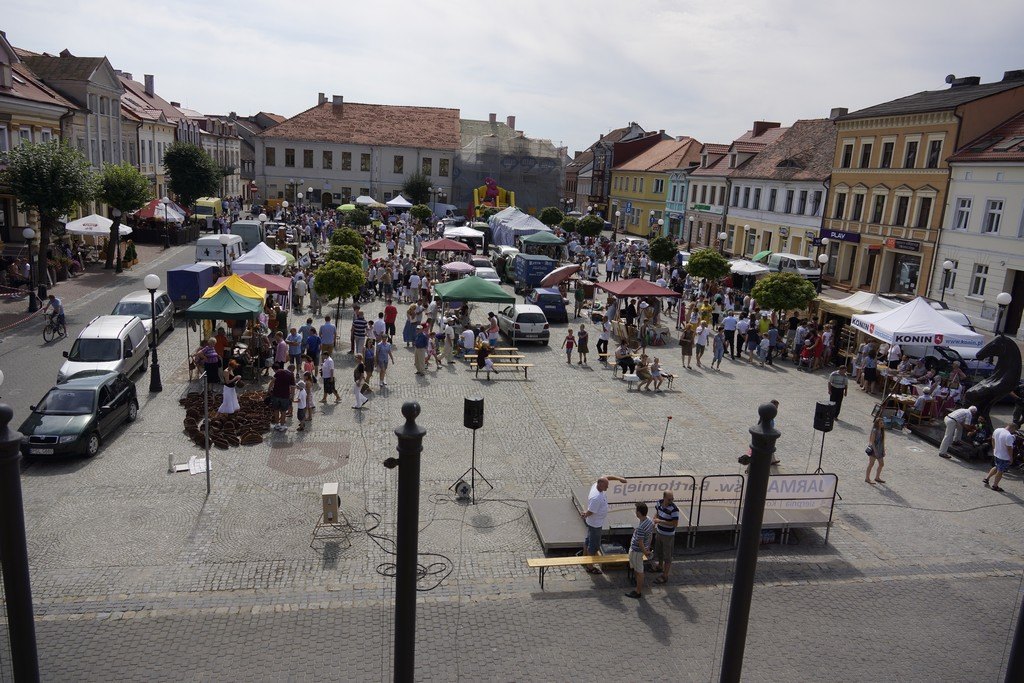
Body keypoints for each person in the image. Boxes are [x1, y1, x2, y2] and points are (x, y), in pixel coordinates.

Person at [580, 475, 628, 574]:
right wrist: (585, 514)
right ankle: (590, 566)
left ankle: (584, 559)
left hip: (592, 523)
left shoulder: (595, 485)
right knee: (593, 546)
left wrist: (619, 479)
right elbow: (591, 512)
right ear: (600, 485)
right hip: (595, 524)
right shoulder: (596, 497)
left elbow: (606, 477)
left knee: (588, 540)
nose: (607, 487)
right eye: (606, 486)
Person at [625, 502, 654, 599]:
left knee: (639, 571)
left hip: (637, 552)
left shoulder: (641, 527)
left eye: (636, 511)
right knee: (638, 570)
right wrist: (648, 547)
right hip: (639, 550)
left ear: (639, 513)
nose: (635, 512)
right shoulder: (649, 520)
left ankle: (638, 592)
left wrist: (645, 551)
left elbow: (640, 542)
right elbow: (649, 535)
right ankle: (638, 588)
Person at [651, 491, 679, 584]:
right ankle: (660, 566)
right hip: (659, 532)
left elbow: (675, 524)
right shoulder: (659, 503)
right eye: (669, 499)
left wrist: (660, 521)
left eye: (672, 499)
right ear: (664, 498)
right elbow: (657, 513)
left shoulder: (674, 509)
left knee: (667, 556)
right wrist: (654, 520)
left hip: (668, 536)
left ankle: (665, 575)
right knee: (659, 551)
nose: (671, 501)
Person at [984, 422, 1018, 492]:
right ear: (1013, 428)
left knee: (996, 467)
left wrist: (994, 449)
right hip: (1004, 457)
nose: (1014, 432)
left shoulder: (997, 430)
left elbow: (993, 439)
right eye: (1014, 430)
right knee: (1000, 471)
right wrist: (1011, 458)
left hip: (996, 454)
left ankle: (986, 478)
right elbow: (1009, 448)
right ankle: (995, 486)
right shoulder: (1008, 436)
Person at [269, 363, 296, 431]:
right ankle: (282, 426)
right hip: (285, 395)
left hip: (276, 394)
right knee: (283, 411)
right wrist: (292, 396)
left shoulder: (279, 371)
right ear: (293, 370)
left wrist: (269, 389)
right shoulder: (291, 375)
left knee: (276, 410)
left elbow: (272, 381)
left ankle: (276, 424)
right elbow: (293, 387)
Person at [866, 415, 886, 484]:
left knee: (881, 464)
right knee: (871, 464)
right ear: (877, 424)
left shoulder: (882, 431)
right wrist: (875, 451)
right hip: (874, 450)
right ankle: (867, 478)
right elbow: (872, 442)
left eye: (882, 423)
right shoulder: (874, 431)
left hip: (880, 450)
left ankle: (877, 477)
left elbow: (882, 441)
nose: (882, 424)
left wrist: (883, 450)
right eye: (881, 423)